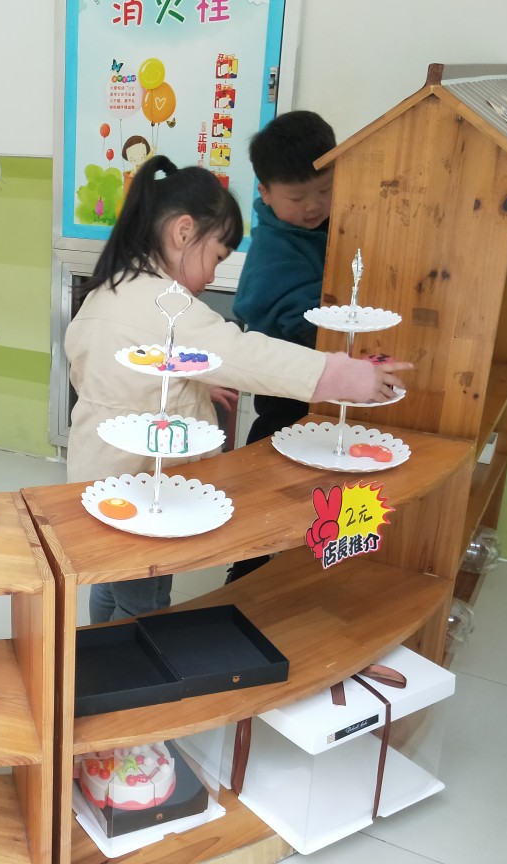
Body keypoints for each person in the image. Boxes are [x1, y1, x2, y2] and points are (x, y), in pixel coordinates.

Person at [66, 155, 408, 623]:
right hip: (143, 488)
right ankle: (130, 655)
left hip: (96, 476)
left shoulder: (110, 289)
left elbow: (111, 373)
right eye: (216, 257)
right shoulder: (166, 304)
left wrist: (190, 386)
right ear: (183, 232)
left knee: (112, 578)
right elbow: (248, 355)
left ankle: (96, 639)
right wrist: (345, 375)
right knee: (146, 596)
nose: (211, 277)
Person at [227, 111, 336, 583]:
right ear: (266, 193)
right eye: (297, 197)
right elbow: (269, 307)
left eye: (324, 190)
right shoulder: (275, 246)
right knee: (274, 461)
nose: (313, 206)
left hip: (319, 378)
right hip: (285, 381)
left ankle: (305, 553)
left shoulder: (328, 225)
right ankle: (246, 567)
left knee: (313, 470)